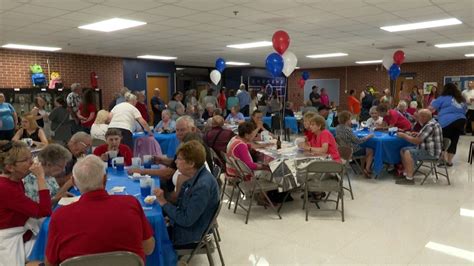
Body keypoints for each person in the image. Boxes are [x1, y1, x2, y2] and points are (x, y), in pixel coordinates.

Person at [45, 155, 155, 265]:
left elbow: (49, 263)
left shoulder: (60, 216)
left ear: (73, 182)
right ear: (105, 179)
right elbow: (149, 248)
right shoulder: (131, 204)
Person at [153, 140, 219, 247]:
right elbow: (182, 205)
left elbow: (186, 220)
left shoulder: (202, 186)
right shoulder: (195, 176)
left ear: (191, 163)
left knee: (149, 237)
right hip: (188, 226)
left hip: (189, 236)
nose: (175, 162)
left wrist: (163, 202)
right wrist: (171, 217)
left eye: (179, 159)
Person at [0, 141, 51, 265]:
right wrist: (40, 177)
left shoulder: (15, 181)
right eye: (26, 160)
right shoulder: (5, 188)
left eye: (31, 157)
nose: (32, 162)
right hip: (8, 239)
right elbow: (44, 211)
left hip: (19, 229)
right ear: (10, 167)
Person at [128, 116, 196, 189]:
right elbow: (175, 164)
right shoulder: (186, 142)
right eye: (177, 130)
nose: (179, 133)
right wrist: (161, 160)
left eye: (182, 130)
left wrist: (141, 171)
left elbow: (169, 173)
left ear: (193, 129)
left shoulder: (192, 147)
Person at [395, 109, 443, 185]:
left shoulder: (430, 125)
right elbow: (426, 136)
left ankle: (409, 179)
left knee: (408, 152)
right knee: (403, 150)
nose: (417, 118)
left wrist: (404, 135)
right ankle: (406, 173)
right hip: (426, 148)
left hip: (431, 153)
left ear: (424, 117)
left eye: (418, 117)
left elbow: (417, 141)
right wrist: (417, 134)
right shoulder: (431, 123)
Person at [430, 83, 467, 166]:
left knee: (444, 140)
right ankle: (449, 161)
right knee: (454, 141)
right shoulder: (461, 99)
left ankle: (443, 160)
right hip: (461, 120)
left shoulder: (442, 98)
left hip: (446, 121)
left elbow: (431, 109)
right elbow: (465, 110)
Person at [335, 111, 374, 177]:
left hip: (342, 149)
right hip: (351, 150)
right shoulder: (348, 129)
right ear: (347, 120)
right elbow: (358, 141)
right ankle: (367, 169)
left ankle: (362, 168)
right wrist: (368, 136)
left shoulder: (337, 128)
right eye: (350, 119)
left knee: (364, 148)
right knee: (370, 150)